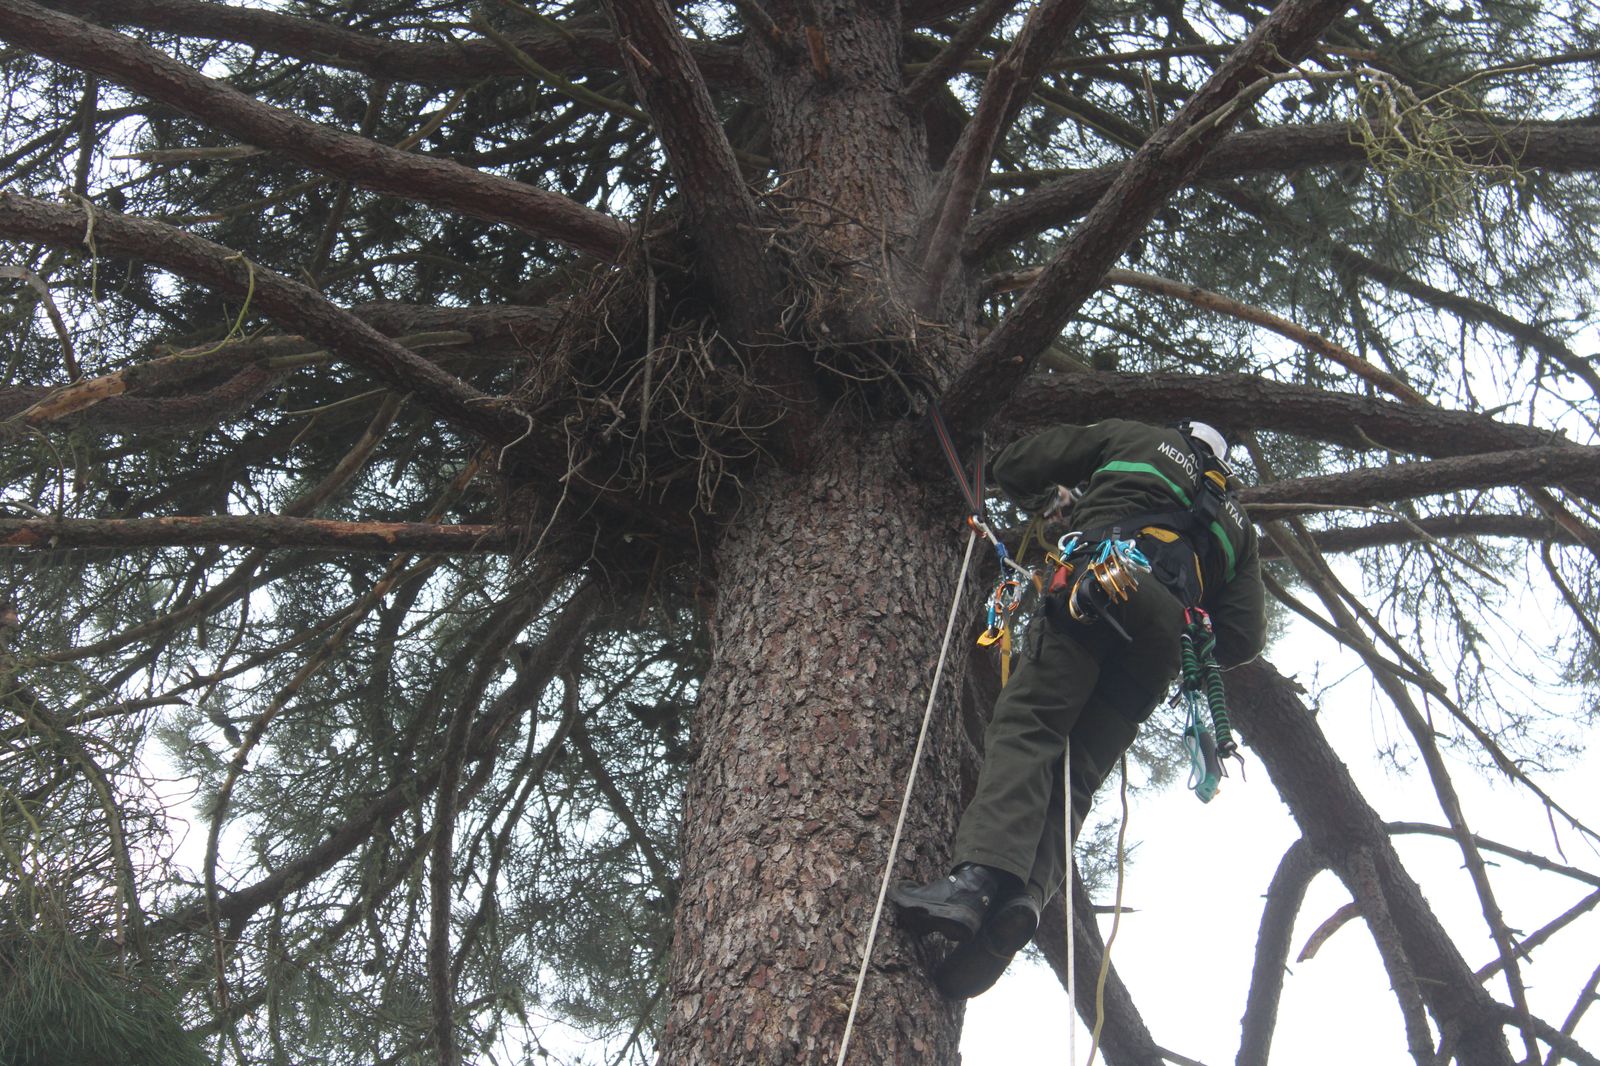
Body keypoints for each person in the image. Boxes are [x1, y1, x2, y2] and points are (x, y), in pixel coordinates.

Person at [890, 418, 1267, 997]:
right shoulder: (1238, 525)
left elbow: (1018, 463)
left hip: (1100, 585)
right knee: (1077, 774)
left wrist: (1067, 500)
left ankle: (973, 884)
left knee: (1029, 727)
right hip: (1165, 642)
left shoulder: (1136, 438)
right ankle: (1016, 907)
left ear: (1183, 433)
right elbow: (1242, 636)